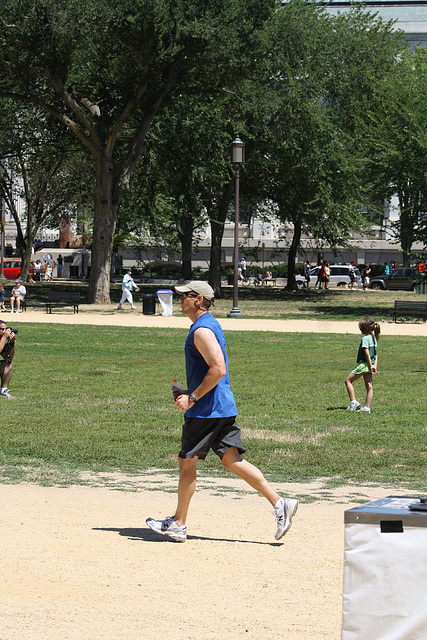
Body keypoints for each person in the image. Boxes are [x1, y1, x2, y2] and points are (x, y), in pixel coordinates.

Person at [146, 281, 298, 543]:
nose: (179, 299)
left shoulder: (202, 330)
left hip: (206, 410)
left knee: (186, 462)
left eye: (185, 296)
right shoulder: (208, 325)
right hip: (221, 406)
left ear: (199, 299)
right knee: (231, 460)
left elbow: (218, 369)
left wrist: (192, 397)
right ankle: (279, 502)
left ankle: (179, 524)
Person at [345, 317, 380, 414]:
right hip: (370, 365)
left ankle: (353, 402)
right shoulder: (374, 339)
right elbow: (376, 354)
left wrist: (369, 365)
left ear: (364, 329)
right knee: (369, 386)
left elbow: (367, 353)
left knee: (348, 381)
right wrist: (373, 366)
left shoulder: (365, 338)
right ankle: (366, 408)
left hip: (364, 364)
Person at [0, 320, 16, 398]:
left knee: (8, 364)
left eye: (6, 329)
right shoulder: (2, 339)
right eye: (2, 329)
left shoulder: (2, 339)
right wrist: (4, 337)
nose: (5, 331)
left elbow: (9, 358)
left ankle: (3, 390)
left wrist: (12, 343)